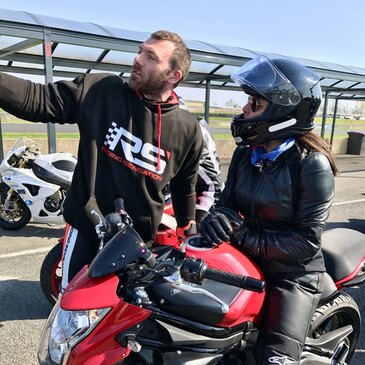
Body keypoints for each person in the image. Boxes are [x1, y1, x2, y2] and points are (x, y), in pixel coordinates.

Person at [0, 30, 203, 290]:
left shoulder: (188, 129)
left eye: (150, 57)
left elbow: (185, 186)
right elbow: (38, 99)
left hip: (138, 242)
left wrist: (189, 228)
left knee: (124, 317)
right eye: (140, 51)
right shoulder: (103, 90)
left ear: (174, 76)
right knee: (71, 305)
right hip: (87, 228)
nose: (137, 59)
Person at [200, 54, 339, 365]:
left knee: (275, 360)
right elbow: (226, 205)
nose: (244, 110)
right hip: (243, 258)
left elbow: (305, 242)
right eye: (248, 101)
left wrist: (241, 233)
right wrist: (215, 220)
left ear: (283, 112)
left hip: (292, 275)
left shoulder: (312, 164)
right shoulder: (244, 153)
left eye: (255, 104)